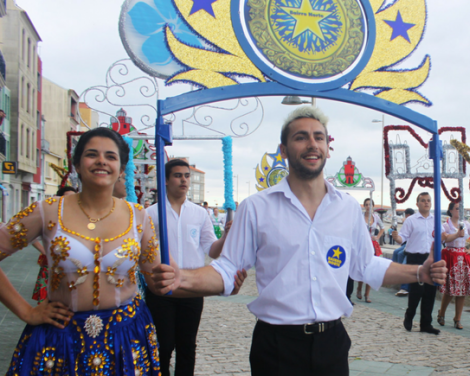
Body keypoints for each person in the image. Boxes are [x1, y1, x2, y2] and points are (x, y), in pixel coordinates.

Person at [150, 106, 447, 376]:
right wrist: (183, 278)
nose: (312, 144)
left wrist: (419, 273)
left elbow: (366, 265)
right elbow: (227, 269)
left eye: (319, 137)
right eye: (301, 137)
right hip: (276, 345)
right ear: (284, 149)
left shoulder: (347, 208)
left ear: (328, 148)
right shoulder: (255, 207)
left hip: (332, 342)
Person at [0, 127, 162, 375]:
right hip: (59, 337)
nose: (101, 161)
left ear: (121, 168)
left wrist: (220, 277)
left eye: (110, 156)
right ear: (76, 163)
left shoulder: (139, 216)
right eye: (91, 154)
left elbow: (157, 280)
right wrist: (26, 311)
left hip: (127, 338)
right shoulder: (46, 210)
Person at [145, 158, 230, 376]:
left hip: (192, 289)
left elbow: (212, 250)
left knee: (187, 345)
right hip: (162, 289)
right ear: (165, 180)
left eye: (186, 175)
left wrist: (227, 236)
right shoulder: (151, 214)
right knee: (163, 345)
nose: (183, 180)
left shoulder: (199, 213)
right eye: (177, 175)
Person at [392, 192, 440, 335]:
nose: (426, 203)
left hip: (431, 257)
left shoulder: (436, 220)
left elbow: (443, 236)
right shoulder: (411, 220)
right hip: (415, 258)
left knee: (430, 292)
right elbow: (403, 238)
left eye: (429, 200)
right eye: (423, 200)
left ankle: (426, 324)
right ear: (417, 203)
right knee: (417, 291)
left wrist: (456, 235)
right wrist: (396, 238)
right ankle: (410, 315)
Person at [31, 187, 78, 303]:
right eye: (67, 197)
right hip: (52, 266)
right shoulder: (50, 215)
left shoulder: (79, 217)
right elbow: (31, 237)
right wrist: (45, 251)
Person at [437, 201, 470, 330]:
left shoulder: (466, 224)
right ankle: (442, 313)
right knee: (450, 289)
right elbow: (443, 239)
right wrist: (456, 235)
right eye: (456, 209)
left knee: (462, 290)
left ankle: (457, 318)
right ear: (450, 211)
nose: (459, 211)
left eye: (461, 209)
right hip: (450, 256)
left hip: (462, 257)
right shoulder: (445, 225)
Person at [356, 198, 384, 303]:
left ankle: (367, 294)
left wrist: (377, 237)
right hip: (362, 243)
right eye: (366, 204)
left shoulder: (376, 217)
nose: (368, 206)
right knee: (361, 267)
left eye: (370, 204)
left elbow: (382, 227)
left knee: (371, 268)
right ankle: (359, 287)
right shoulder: (360, 217)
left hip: (372, 244)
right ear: (364, 206)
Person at [392, 208, 414, 296]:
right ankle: (395, 273)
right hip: (406, 243)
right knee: (396, 252)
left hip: (412, 245)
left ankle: (404, 287)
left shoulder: (412, 221)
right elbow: (403, 236)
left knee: (403, 258)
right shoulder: (408, 222)